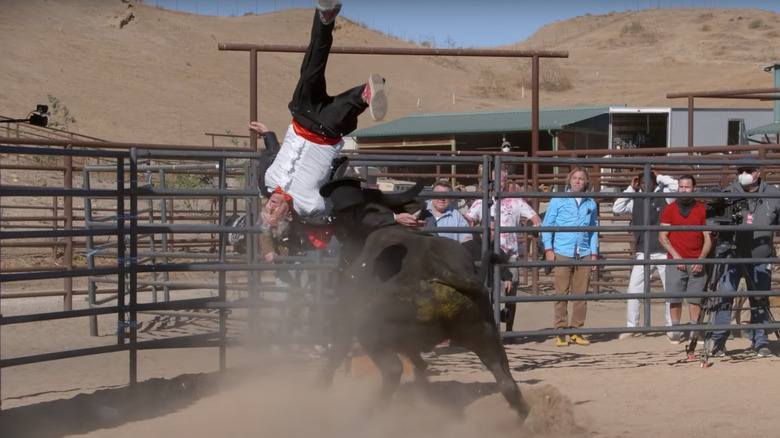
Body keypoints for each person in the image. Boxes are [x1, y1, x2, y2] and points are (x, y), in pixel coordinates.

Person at [248, 0, 388, 240]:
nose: (269, 206)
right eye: (273, 213)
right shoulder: (309, 207)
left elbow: (273, 153)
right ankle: (367, 94)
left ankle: (325, 17)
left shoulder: (266, 182)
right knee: (350, 105)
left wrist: (268, 134)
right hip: (326, 132)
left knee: (311, 67)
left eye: (265, 210)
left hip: (303, 114)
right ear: (288, 216)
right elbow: (332, 208)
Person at [709, 159, 780, 358]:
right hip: (731, 254)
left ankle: (760, 341)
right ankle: (719, 341)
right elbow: (715, 221)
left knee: (759, 298)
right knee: (725, 295)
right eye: (740, 171)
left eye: (748, 170)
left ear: (758, 172)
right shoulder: (729, 193)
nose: (743, 174)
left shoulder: (774, 194)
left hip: (760, 256)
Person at [612, 170, 677, 338]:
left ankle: (671, 327)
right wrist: (630, 188)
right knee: (634, 289)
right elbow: (617, 208)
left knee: (669, 290)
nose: (644, 184)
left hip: (664, 250)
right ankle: (632, 326)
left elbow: (676, 186)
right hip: (644, 251)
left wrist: (661, 176)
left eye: (648, 181)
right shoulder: (636, 198)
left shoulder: (666, 195)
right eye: (641, 182)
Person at [541, 167, 599, 347]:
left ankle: (576, 331)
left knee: (581, 294)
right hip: (562, 252)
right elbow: (547, 225)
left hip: (583, 253)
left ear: (586, 182)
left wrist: (594, 253)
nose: (578, 181)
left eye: (581, 178)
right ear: (569, 180)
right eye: (575, 178)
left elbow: (593, 230)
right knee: (561, 293)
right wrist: (549, 249)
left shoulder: (591, 203)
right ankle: (561, 331)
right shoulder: (558, 200)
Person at [658, 174, 711, 344]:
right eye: (681, 186)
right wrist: (675, 257)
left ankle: (695, 330)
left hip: (696, 259)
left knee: (695, 298)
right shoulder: (670, 209)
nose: (683, 190)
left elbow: (708, 238)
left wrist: (701, 259)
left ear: (694, 188)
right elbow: (662, 236)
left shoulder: (702, 210)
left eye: (687, 187)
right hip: (676, 259)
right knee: (675, 297)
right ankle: (675, 329)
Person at [462, 220, 515, 331]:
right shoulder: (467, 247)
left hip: (487, 290)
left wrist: (507, 278)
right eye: (487, 230)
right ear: (480, 231)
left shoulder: (496, 249)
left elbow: (502, 265)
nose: (490, 233)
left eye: (493, 230)